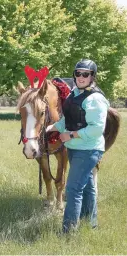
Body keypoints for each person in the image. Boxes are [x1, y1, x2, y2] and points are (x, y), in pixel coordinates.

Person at [46, 59, 109, 233]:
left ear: (92, 76)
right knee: (87, 187)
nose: (80, 77)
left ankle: (68, 232)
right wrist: (55, 127)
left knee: (73, 189)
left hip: (88, 150)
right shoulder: (75, 93)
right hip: (75, 148)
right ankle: (90, 223)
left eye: (85, 74)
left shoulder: (95, 99)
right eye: (78, 73)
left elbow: (97, 129)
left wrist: (70, 134)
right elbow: (70, 117)